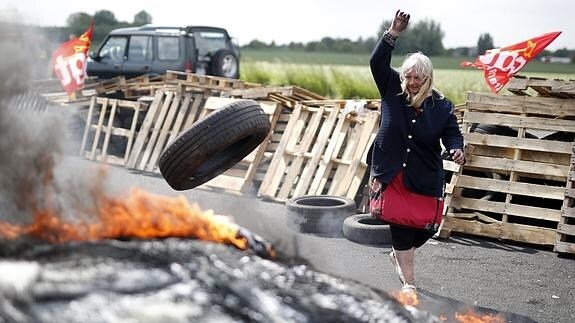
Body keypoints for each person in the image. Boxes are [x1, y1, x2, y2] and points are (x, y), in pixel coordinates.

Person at [368, 10, 465, 293]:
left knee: (425, 228)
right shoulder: (391, 88)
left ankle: (398, 254)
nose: (411, 82)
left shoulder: (443, 106)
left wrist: (456, 149)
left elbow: (452, 134)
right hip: (393, 169)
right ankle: (409, 284)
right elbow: (376, 61)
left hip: (425, 172)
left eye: (417, 78)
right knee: (399, 223)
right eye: (408, 76)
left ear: (428, 79)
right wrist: (393, 32)